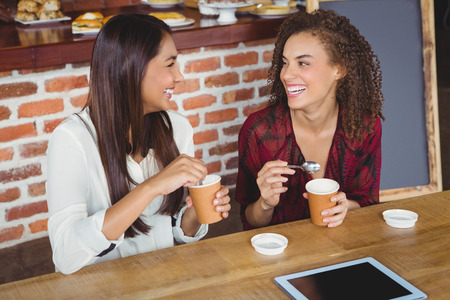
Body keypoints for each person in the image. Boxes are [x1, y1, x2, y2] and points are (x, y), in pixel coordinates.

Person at [46, 14, 231, 274]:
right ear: (131, 69)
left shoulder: (178, 128)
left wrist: (196, 212)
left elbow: (176, 230)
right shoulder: (72, 139)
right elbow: (65, 254)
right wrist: (151, 187)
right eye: (170, 64)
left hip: (162, 281)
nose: (179, 77)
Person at [235, 9, 384, 230]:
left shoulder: (364, 127)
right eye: (285, 63)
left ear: (339, 69)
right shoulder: (259, 131)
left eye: (303, 63)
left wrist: (346, 207)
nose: (286, 75)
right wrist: (265, 204)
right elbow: (249, 221)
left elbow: (367, 202)